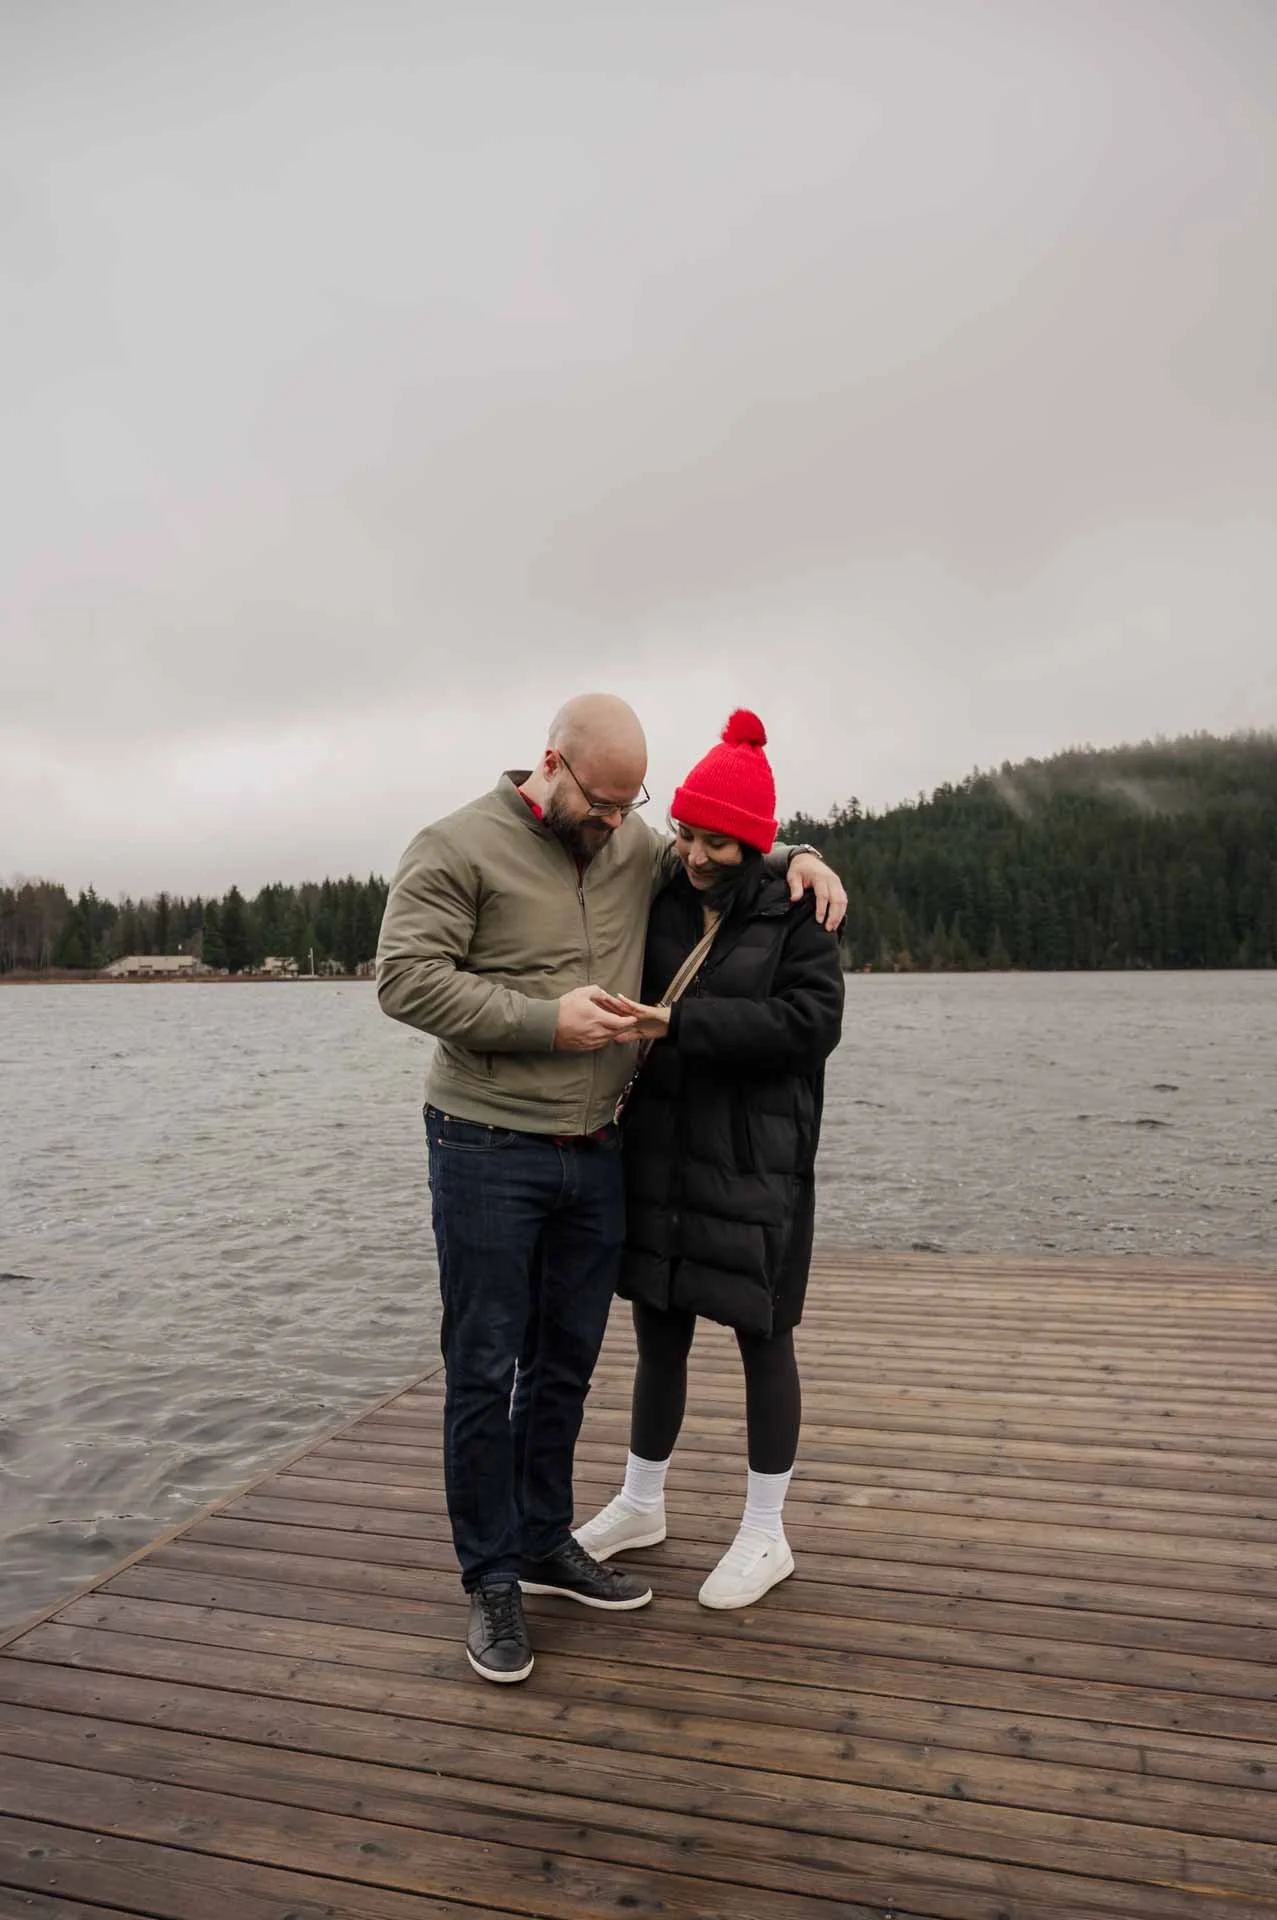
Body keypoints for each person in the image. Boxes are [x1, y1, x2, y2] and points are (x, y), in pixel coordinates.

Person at [376, 693, 846, 1683]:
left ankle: (545, 1539)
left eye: (634, 806)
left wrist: (799, 850)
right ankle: (491, 1578)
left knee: (564, 1364)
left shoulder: (635, 844)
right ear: (550, 765)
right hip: (486, 1143)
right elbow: (404, 980)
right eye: (604, 802)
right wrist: (547, 1020)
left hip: (595, 1153)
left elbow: (730, 850)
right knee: (483, 1364)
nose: (623, 825)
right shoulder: (453, 846)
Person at [577, 709, 845, 1609]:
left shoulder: (797, 910)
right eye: (687, 835)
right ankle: (640, 1503)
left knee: (763, 1338)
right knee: (658, 1330)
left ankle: (767, 1534)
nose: (694, 855)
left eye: (717, 845)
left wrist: (677, 1022)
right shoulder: (657, 894)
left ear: (754, 847)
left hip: (755, 1162)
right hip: (658, 1150)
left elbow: (812, 1027)